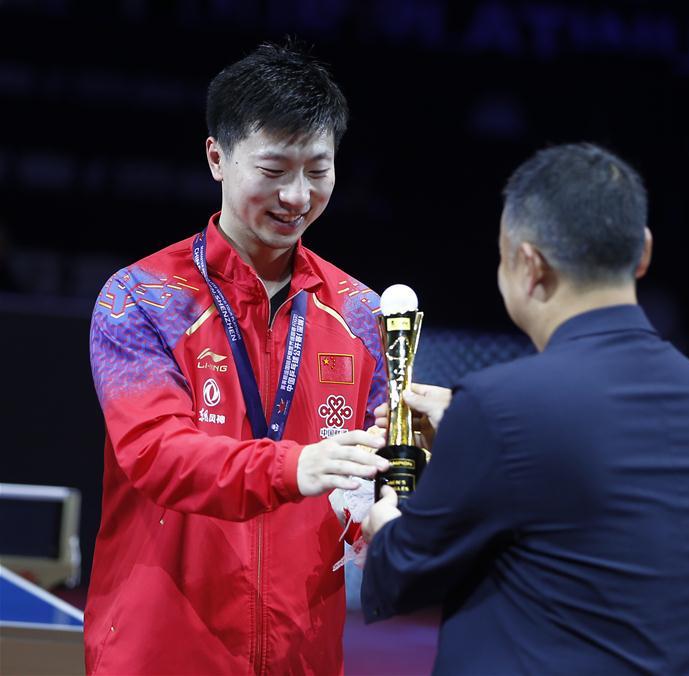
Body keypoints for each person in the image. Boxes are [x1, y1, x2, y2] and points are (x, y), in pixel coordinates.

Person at [362, 143, 689, 675]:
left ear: (528, 265)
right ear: (643, 252)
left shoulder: (501, 405)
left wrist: (387, 514)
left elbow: (402, 572)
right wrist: (472, 434)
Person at [86, 42, 390, 674]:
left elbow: (373, 487)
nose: (297, 196)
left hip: (302, 655)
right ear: (216, 158)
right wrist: (295, 466)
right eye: (274, 170)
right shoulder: (140, 299)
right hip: (160, 651)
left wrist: (399, 479)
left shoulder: (363, 314)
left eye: (318, 170)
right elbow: (156, 453)